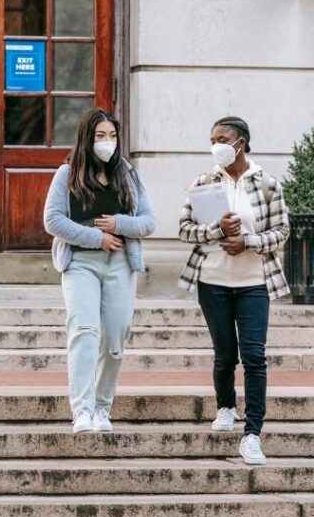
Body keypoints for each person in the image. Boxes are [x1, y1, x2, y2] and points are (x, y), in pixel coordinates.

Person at [178, 116, 290, 465]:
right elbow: (184, 230)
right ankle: (226, 406)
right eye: (212, 139)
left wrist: (248, 242)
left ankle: (253, 433)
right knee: (225, 354)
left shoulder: (268, 184)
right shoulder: (204, 182)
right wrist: (216, 230)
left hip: (253, 282)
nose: (216, 145)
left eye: (222, 138)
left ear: (241, 142)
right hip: (212, 282)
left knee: (254, 356)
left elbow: (283, 231)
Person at [43, 108, 156, 434]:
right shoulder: (67, 174)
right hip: (80, 264)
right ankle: (82, 409)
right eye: (99, 136)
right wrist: (96, 237)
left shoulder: (128, 174)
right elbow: (53, 220)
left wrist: (119, 224)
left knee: (114, 338)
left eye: (112, 136)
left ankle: (102, 407)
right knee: (85, 332)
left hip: (120, 265)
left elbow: (149, 221)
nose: (107, 142)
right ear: (86, 139)